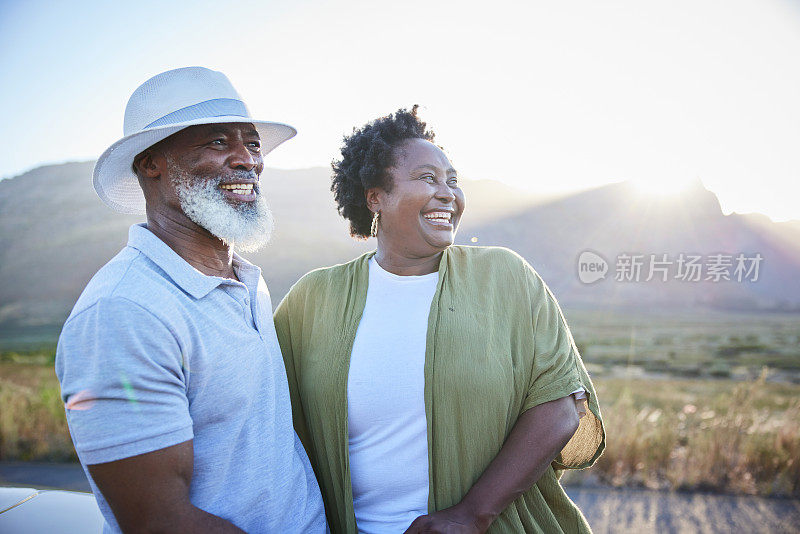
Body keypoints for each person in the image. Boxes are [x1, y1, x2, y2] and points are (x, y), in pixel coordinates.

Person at [274, 106, 605, 533]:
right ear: (375, 196)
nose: (448, 193)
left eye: (452, 181)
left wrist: (470, 516)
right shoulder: (312, 299)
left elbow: (561, 406)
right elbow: (265, 415)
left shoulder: (504, 277)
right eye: (428, 178)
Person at [55, 67, 326, 533]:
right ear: (150, 163)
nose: (247, 160)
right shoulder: (123, 314)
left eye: (252, 143)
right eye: (218, 142)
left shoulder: (246, 281)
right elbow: (158, 521)